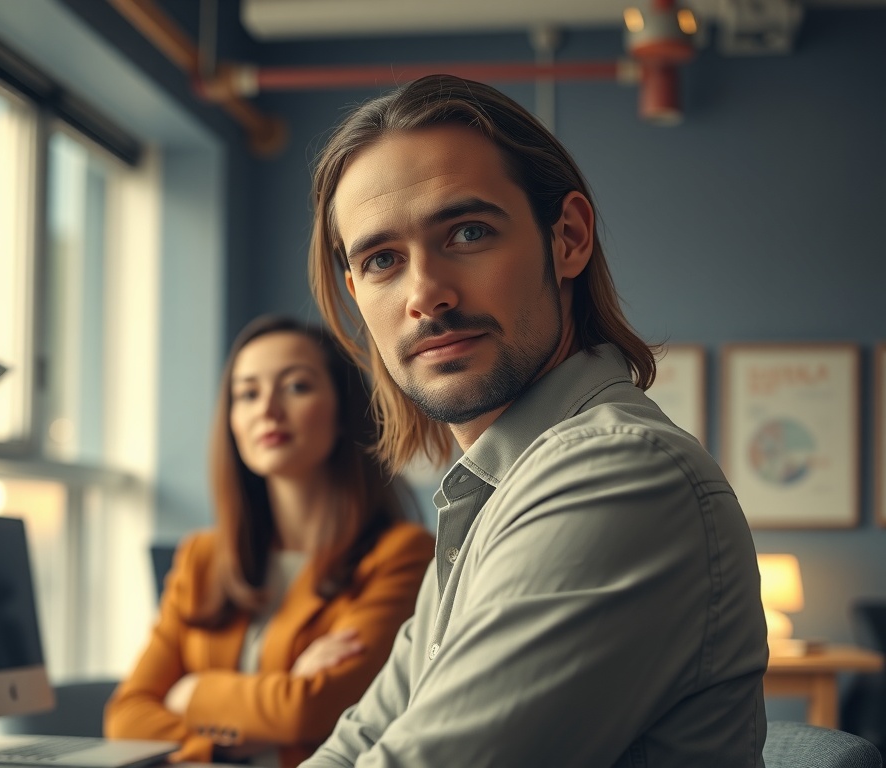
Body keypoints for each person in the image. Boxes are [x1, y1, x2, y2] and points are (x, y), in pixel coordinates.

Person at [302, 75, 768, 767]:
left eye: (467, 231)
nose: (425, 293)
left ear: (569, 238)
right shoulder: (488, 497)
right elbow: (356, 748)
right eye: (382, 260)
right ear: (356, 292)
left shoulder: (619, 473)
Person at [104, 315, 435, 767]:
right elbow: (126, 716)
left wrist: (191, 693)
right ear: (232, 421)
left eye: (296, 387)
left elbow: (310, 710)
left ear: (342, 410)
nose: (268, 410)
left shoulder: (402, 555)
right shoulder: (202, 558)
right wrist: (229, 739)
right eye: (248, 393)